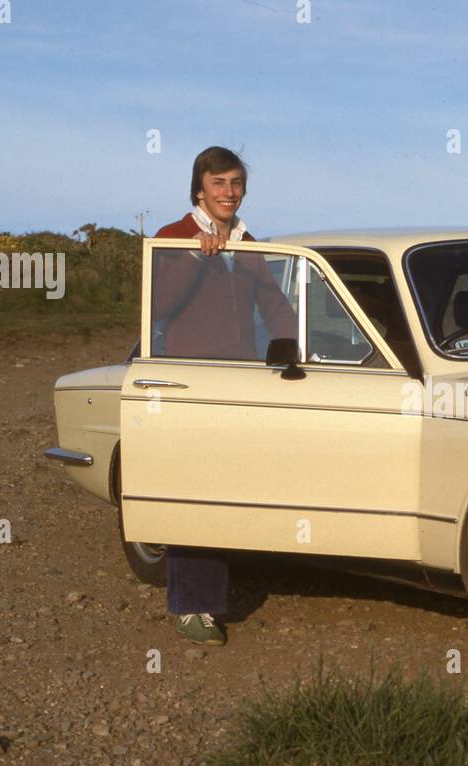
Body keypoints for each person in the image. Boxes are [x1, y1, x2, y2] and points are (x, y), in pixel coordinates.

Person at [152, 145, 295, 645]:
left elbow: (274, 305)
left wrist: (293, 344)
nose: (228, 192)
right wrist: (195, 255)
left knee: (238, 483)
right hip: (189, 383)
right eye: (218, 183)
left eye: (235, 183)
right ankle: (195, 607)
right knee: (196, 489)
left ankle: (241, 577)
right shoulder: (172, 238)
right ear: (199, 189)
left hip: (241, 379)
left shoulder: (248, 243)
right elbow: (158, 307)